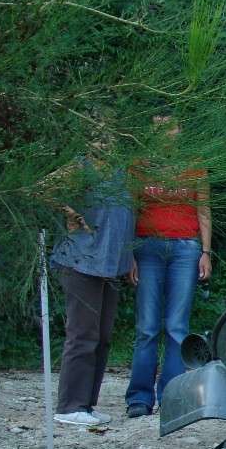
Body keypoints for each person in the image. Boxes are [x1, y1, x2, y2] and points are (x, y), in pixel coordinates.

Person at [125, 116, 211, 418]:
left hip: (185, 248)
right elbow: (131, 209)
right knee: (147, 327)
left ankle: (171, 397)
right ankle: (139, 397)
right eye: (159, 126)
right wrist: (129, 254)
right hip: (147, 246)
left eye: (171, 126)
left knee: (177, 327)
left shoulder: (194, 163)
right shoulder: (139, 165)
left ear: (180, 129)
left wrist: (206, 251)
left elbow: (203, 207)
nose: (166, 133)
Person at [47, 146, 135, 427]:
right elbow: (41, 189)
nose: (106, 141)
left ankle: (86, 404)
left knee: (103, 336)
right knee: (82, 334)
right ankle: (69, 405)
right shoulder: (79, 165)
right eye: (100, 134)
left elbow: (125, 217)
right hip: (81, 261)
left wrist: (130, 255)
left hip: (111, 263)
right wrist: (68, 211)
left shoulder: (121, 172)